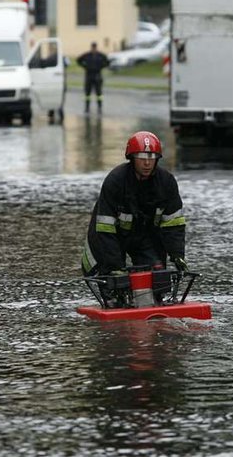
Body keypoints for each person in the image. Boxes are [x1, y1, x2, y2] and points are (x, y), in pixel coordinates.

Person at [81, 131, 187, 304]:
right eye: (141, 157)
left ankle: (153, 306)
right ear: (131, 158)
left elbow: (173, 224)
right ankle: (115, 303)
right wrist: (114, 266)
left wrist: (177, 255)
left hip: (145, 237)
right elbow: (105, 228)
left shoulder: (166, 183)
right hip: (112, 237)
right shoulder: (115, 181)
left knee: (157, 279)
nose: (147, 162)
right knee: (114, 285)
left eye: (152, 157)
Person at [77, 41, 109, 114]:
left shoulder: (100, 55)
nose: (93, 49)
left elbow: (107, 62)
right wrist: (85, 66)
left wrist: (101, 67)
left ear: (96, 47)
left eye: (94, 47)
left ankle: (99, 107)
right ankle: (87, 108)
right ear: (91, 47)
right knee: (87, 94)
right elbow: (78, 60)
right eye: (92, 47)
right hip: (89, 76)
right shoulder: (87, 55)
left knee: (99, 94)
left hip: (98, 76)